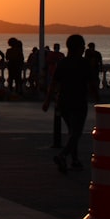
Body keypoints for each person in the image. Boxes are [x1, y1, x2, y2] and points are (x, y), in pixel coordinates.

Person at [42, 34, 97, 173]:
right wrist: (97, 98)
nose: (84, 48)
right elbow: (91, 84)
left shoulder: (63, 63)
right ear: (79, 48)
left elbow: (54, 83)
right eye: (83, 46)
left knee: (72, 131)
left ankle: (75, 160)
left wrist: (47, 101)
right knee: (76, 133)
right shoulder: (84, 63)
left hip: (63, 102)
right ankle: (63, 155)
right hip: (78, 102)